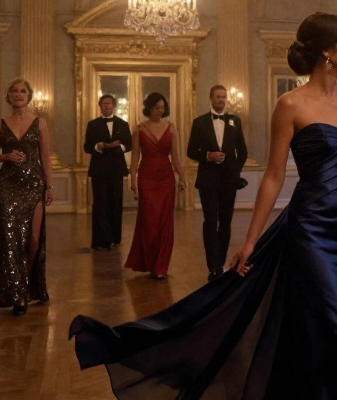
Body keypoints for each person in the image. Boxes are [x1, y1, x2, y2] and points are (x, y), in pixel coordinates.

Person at [70, 12, 337, 400]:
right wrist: (250, 239)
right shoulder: (290, 104)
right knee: (330, 343)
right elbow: (273, 177)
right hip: (312, 235)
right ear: (327, 50)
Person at [0, 78, 53, 314]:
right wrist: (6, 156)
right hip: (8, 185)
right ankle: (18, 294)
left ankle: (26, 282)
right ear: (7, 96)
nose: (18, 94)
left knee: (33, 240)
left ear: (29, 96)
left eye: (22, 91)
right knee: (9, 241)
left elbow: (45, 157)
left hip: (34, 184)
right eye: (13, 91)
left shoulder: (39, 122)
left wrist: (49, 186)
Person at [187, 85, 248, 279]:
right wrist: (208, 155)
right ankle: (213, 266)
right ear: (211, 98)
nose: (221, 100)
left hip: (229, 181)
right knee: (210, 221)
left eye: (223, 97)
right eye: (218, 97)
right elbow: (191, 151)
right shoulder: (200, 122)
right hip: (208, 180)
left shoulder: (235, 121)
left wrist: (235, 171)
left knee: (226, 222)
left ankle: (220, 263)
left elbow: (243, 151)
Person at [125, 92, 185, 280]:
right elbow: (135, 157)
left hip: (166, 178)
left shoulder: (171, 128)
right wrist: (133, 180)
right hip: (147, 178)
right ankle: (149, 262)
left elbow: (176, 157)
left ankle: (161, 266)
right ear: (149, 108)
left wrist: (182, 178)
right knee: (149, 221)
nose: (160, 111)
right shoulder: (139, 129)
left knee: (164, 222)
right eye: (156, 108)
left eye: (162, 108)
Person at [84, 94, 131, 250]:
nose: (106, 106)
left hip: (116, 169)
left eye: (109, 103)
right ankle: (100, 241)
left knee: (116, 203)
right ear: (100, 106)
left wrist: (118, 148)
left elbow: (129, 144)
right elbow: (87, 146)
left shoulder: (123, 124)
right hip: (99, 170)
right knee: (100, 204)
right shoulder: (93, 125)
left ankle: (115, 238)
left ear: (114, 106)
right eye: (104, 103)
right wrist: (98, 146)